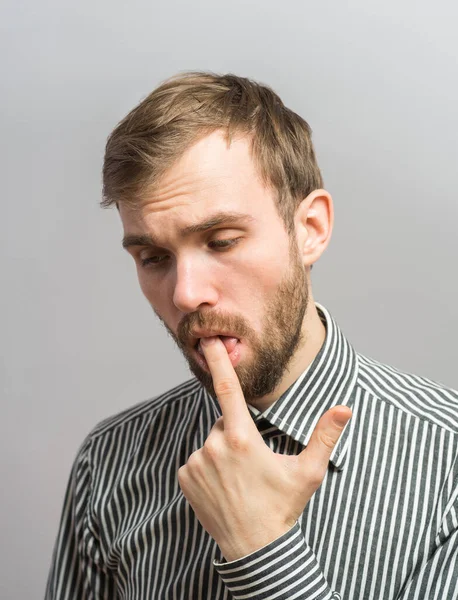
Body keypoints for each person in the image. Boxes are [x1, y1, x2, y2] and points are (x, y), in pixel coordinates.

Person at [45, 72, 458, 600]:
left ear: (309, 229)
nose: (186, 294)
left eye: (221, 241)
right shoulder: (107, 463)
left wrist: (261, 548)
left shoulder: (448, 467)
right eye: (153, 258)